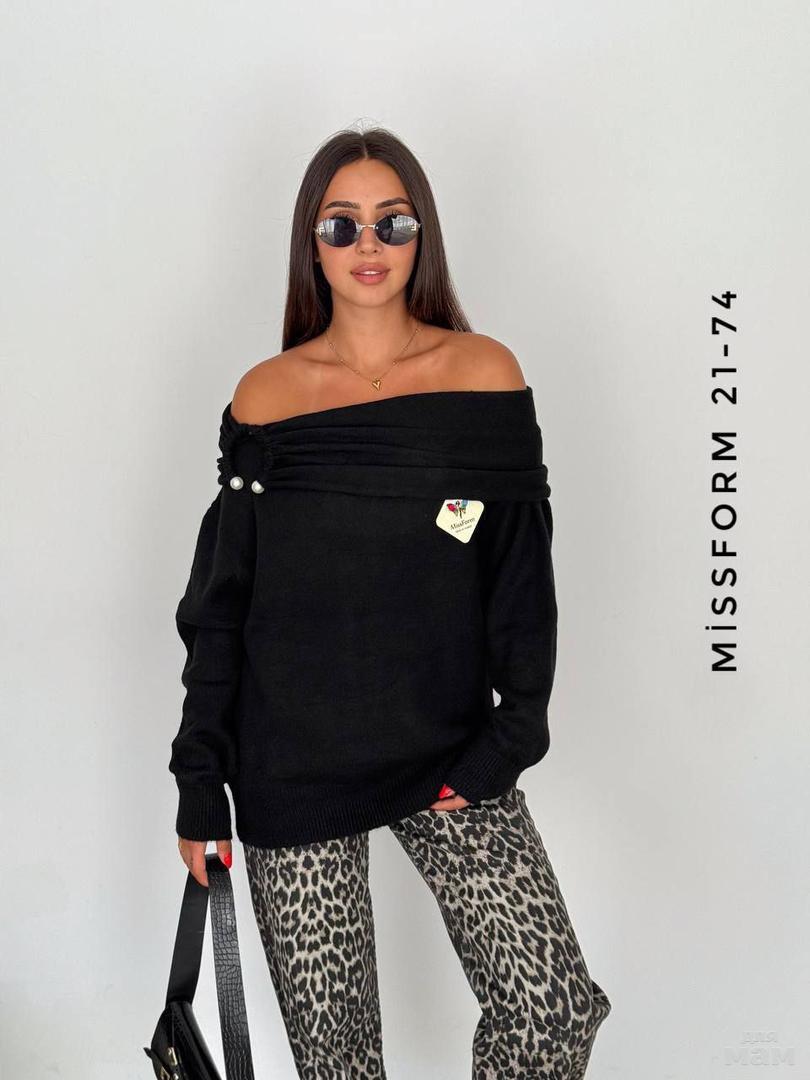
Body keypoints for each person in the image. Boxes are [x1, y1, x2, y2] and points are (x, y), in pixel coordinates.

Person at [168, 125, 612, 1079]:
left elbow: (522, 583)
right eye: (342, 225)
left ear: (422, 236)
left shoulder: (484, 376)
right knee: (339, 1067)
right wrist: (200, 782)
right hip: (293, 765)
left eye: (392, 222)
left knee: (554, 1013)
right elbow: (221, 606)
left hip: (450, 753)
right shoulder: (266, 398)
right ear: (312, 242)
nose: (367, 245)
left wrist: (510, 737)